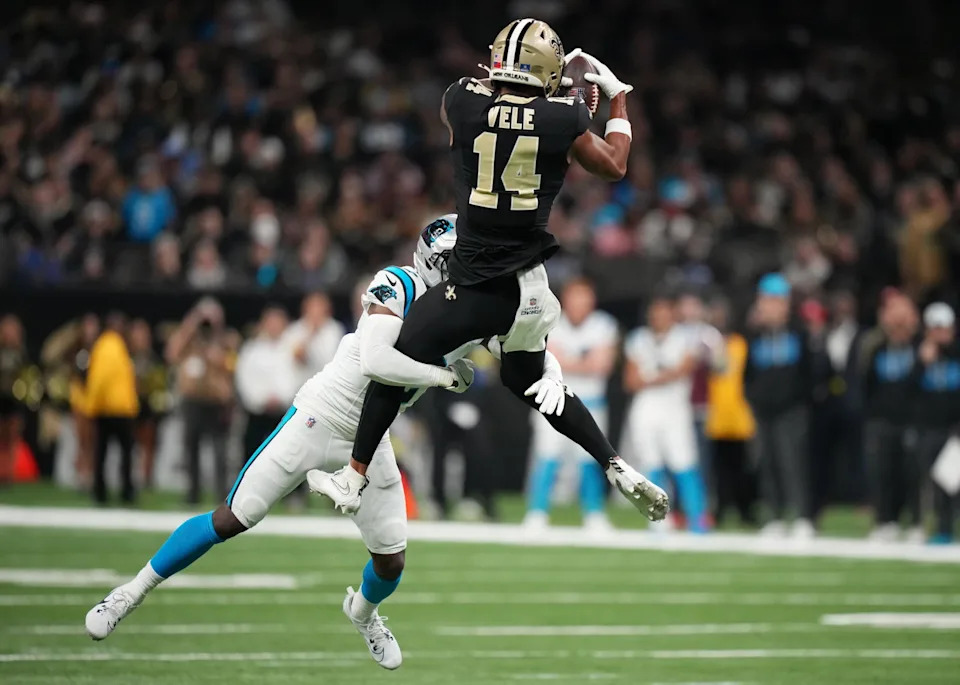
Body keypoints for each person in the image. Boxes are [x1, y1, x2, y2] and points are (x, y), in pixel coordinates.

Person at [84, 216, 570, 671]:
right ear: (435, 261)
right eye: (460, 260)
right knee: (233, 517)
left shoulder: (468, 306)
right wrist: (444, 376)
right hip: (320, 415)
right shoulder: (396, 283)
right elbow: (378, 361)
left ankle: (361, 613)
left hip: (370, 436)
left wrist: (553, 369)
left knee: (392, 559)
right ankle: (130, 592)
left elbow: (526, 350)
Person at [310, 21, 668, 522]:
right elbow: (613, 164)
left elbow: (484, 104)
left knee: (390, 372)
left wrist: (553, 90)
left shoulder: (462, 101)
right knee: (535, 383)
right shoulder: (563, 117)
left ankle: (352, 477)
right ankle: (612, 462)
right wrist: (617, 101)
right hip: (534, 294)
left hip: (475, 286)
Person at [524, 277, 618, 531]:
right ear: (565, 299)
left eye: (584, 297)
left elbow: (602, 366)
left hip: (592, 403)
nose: (579, 303)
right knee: (546, 457)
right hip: (554, 400)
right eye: (574, 297)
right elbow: (549, 360)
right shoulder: (551, 321)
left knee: (591, 458)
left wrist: (568, 360)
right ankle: (537, 512)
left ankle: (594, 513)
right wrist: (583, 360)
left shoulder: (604, 325)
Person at [624, 293, 709, 533]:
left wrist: (650, 376)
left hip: (675, 410)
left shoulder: (686, 338)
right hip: (646, 409)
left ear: (673, 313)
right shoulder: (638, 338)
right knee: (651, 465)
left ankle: (697, 519)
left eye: (664, 310)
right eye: (656, 311)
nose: (659, 316)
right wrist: (663, 375)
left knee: (684, 464)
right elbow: (630, 381)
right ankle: (659, 520)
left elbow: (683, 370)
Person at [744, 273, 815, 539]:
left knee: (793, 463)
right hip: (764, 410)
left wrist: (799, 400)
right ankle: (773, 515)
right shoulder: (755, 334)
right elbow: (748, 373)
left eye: (774, 300)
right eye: (764, 300)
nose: (768, 306)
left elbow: (810, 372)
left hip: (792, 409)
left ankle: (802, 516)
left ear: (785, 303)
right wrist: (754, 399)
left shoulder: (799, 332)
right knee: (767, 463)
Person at [858, 293, 922, 542]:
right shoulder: (875, 345)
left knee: (912, 474)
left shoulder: (921, 347)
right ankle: (885, 521)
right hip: (880, 419)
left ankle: (916, 522)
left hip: (912, 420)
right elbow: (863, 381)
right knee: (882, 472)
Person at [165, 298, 237, 504]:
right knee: (192, 449)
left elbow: (233, 365)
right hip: (193, 401)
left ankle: (223, 494)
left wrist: (217, 353)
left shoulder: (226, 340)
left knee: (220, 450)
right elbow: (171, 353)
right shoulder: (189, 341)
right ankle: (192, 494)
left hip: (217, 402)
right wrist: (191, 323)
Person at [704, 298, 757, 527]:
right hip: (717, 415)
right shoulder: (707, 345)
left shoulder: (741, 344)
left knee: (743, 468)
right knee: (719, 471)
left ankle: (746, 510)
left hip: (740, 414)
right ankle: (721, 509)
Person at [914, 302, 960, 544]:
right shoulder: (921, 354)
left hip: (956, 429)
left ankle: (947, 527)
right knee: (936, 481)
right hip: (930, 428)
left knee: (953, 481)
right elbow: (909, 393)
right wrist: (922, 364)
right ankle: (940, 528)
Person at [86, 313, 139, 505]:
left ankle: (103, 492)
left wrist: (92, 405)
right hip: (116, 410)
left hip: (110, 409)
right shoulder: (111, 346)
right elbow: (101, 379)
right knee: (120, 453)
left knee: (103, 452)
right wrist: (92, 405)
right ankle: (124, 491)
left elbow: (100, 379)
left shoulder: (106, 345)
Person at [235, 306, 298, 460]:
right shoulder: (251, 349)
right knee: (252, 455)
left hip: (285, 413)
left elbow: (298, 378)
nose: (274, 327)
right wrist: (261, 400)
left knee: (288, 457)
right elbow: (244, 379)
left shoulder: (294, 349)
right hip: (257, 413)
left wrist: (282, 399)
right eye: (270, 322)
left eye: (278, 322)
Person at [128, 320, 166, 489]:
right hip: (129, 405)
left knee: (149, 443)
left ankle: (146, 479)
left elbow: (159, 382)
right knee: (129, 444)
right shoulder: (127, 357)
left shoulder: (153, 359)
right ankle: (129, 477)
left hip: (148, 406)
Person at [282, 292, 345, 388]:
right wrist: (310, 334)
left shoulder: (334, 329)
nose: (316, 311)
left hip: (327, 386)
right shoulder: (295, 330)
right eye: (313, 307)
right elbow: (296, 357)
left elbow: (332, 359)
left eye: (320, 307)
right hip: (300, 386)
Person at [0, 315, 28, 484]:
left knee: (12, 438)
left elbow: (26, 376)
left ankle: (9, 475)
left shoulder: (21, 352)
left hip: (14, 401)